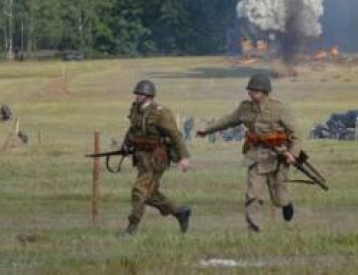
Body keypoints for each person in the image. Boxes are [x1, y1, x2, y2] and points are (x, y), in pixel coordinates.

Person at [197, 73, 300, 232]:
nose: (251, 94)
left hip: (278, 157)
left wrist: (293, 154)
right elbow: (228, 120)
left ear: (265, 92)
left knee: (279, 197)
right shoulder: (245, 107)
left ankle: (286, 204)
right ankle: (254, 228)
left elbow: (296, 133)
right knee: (253, 194)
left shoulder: (279, 109)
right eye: (250, 91)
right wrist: (207, 130)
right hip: (256, 156)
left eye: (255, 91)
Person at [120, 79, 191, 235]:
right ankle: (180, 212)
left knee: (139, 190)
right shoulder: (136, 110)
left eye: (140, 94)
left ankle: (131, 229)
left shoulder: (161, 112)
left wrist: (184, 157)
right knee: (150, 194)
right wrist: (125, 145)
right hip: (141, 157)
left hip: (156, 158)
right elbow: (133, 129)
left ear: (149, 96)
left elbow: (175, 136)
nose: (137, 96)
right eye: (136, 94)